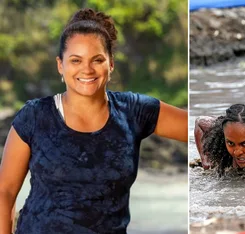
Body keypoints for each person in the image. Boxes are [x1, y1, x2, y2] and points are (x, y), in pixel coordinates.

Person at [0, 8, 187, 234]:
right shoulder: (35, 116)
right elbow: (5, 193)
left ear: (111, 64)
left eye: (97, 60)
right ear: (61, 65)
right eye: (76, 60)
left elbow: (197, 127)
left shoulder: (134, 111)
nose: (86, 69)